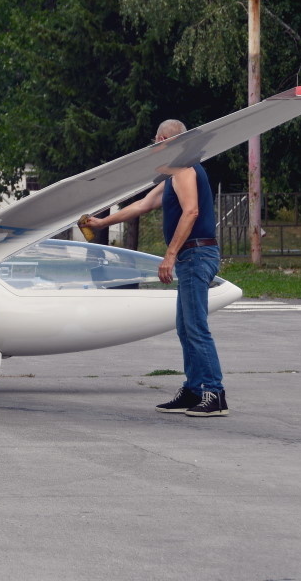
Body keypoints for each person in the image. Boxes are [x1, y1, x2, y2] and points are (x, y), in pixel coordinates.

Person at [84, 119, 228, 417]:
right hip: (193, 256)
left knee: (196, 327)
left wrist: (170, 255)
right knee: (186, 328)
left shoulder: (185, 168)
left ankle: (214, 394)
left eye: (155, 140)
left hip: (196, 254)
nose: (152, 145)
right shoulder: (173, 173)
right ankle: (194, 390)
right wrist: (101, 222)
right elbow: (142, 206)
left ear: (164, 139)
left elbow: (192, 211)